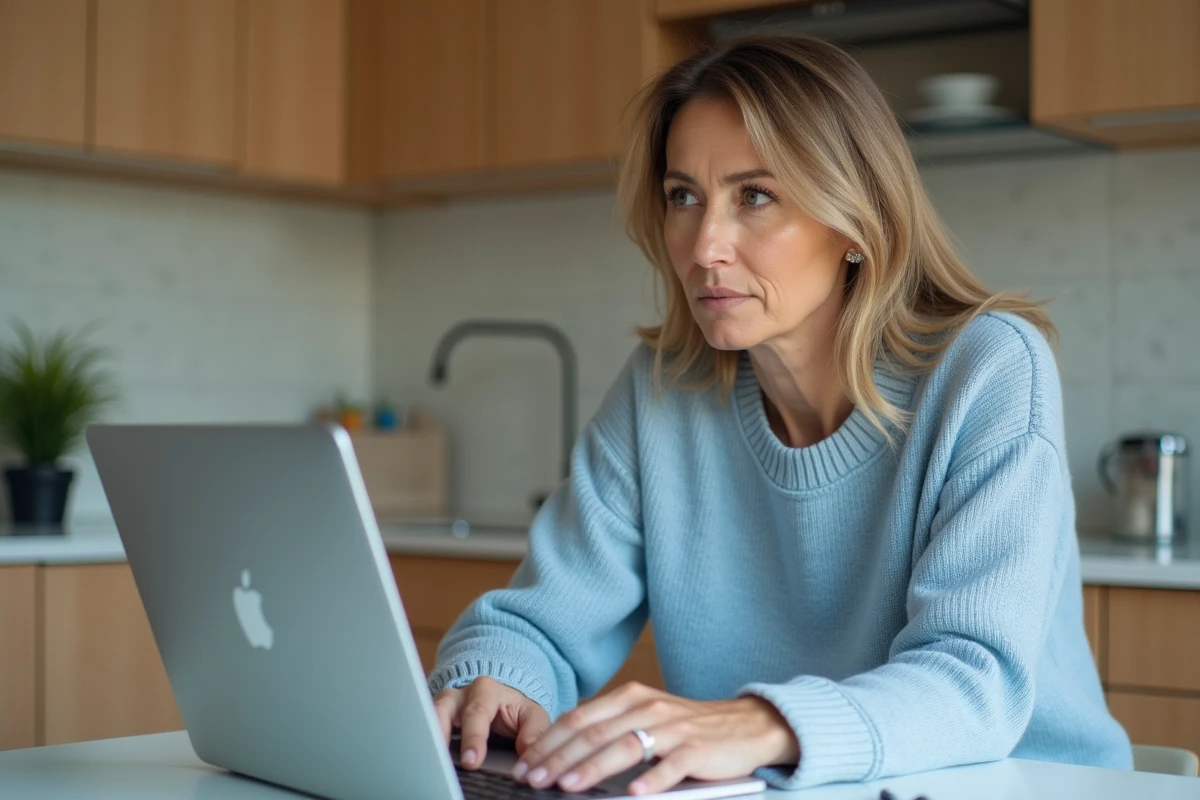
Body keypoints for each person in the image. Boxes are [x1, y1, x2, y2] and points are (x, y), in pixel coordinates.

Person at [427, 34, 1132, 795]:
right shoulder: (662, 390)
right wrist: (496, 680)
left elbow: (974, 681)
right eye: (683, 197)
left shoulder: (987, 370)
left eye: (754, 196)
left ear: (855, 220)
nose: (704, 246)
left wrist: (763, 723)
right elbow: (538, 622)